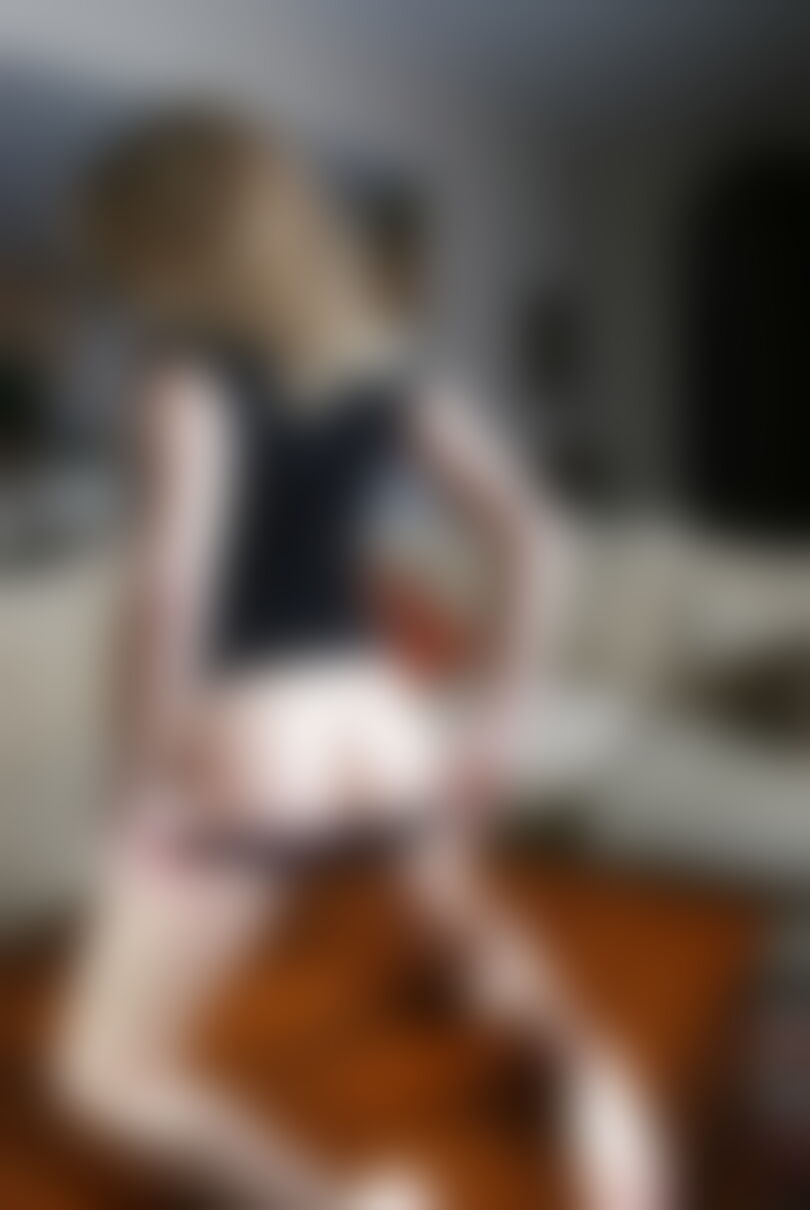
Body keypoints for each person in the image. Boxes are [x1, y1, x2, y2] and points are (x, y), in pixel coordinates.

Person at [52, 108, 669, 1210]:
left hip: (252, 748)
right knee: (473, 951)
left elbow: (171, 587)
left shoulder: (184, 381)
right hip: (383, 733)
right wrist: (494, 725)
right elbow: (538, 538)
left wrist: (140, 774)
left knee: (104, 1074)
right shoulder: (391, 377)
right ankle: (600, 1097)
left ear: (164, 251)